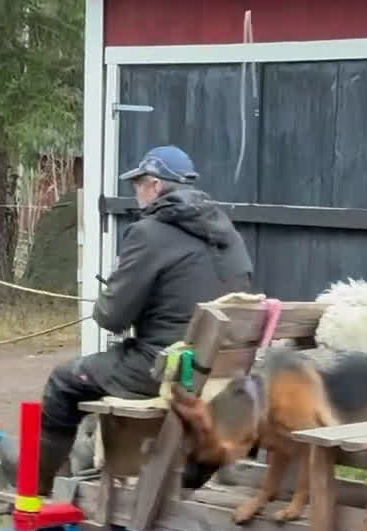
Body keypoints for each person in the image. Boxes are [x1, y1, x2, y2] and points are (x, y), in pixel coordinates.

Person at [34, 145, 254, 492]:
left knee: (63, 381)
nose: (135, 191)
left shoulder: (148, 233)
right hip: (221, 371)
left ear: (154, 185)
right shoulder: (228, 234)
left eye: (138, 183)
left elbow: (111, 317)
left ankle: (41, 487)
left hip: (166, 369)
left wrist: (116, 283)